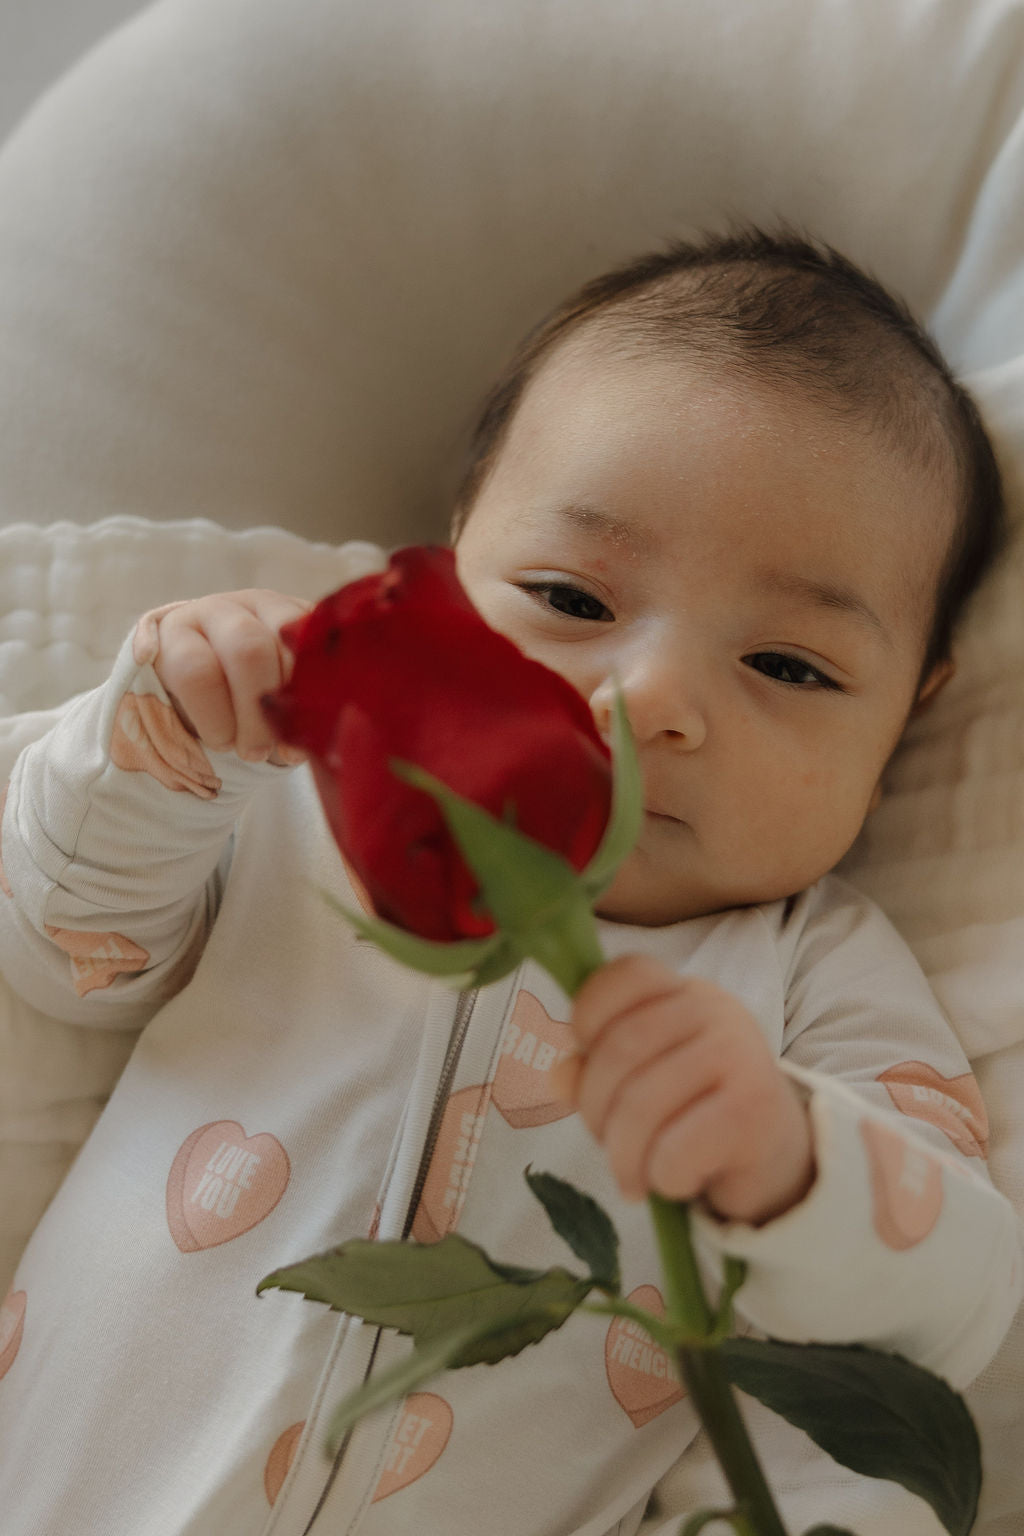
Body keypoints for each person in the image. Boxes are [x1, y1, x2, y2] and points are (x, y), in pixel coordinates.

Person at [0, 229, 1018, 1536]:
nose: (648, 700)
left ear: (907, 720)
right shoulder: (305, 808)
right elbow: (73, 953)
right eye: (571, 597)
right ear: (451, 557)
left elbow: (956, 1302)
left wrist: (794, 1160)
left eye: (792, 667)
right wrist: (158, 753)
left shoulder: (814, 973)